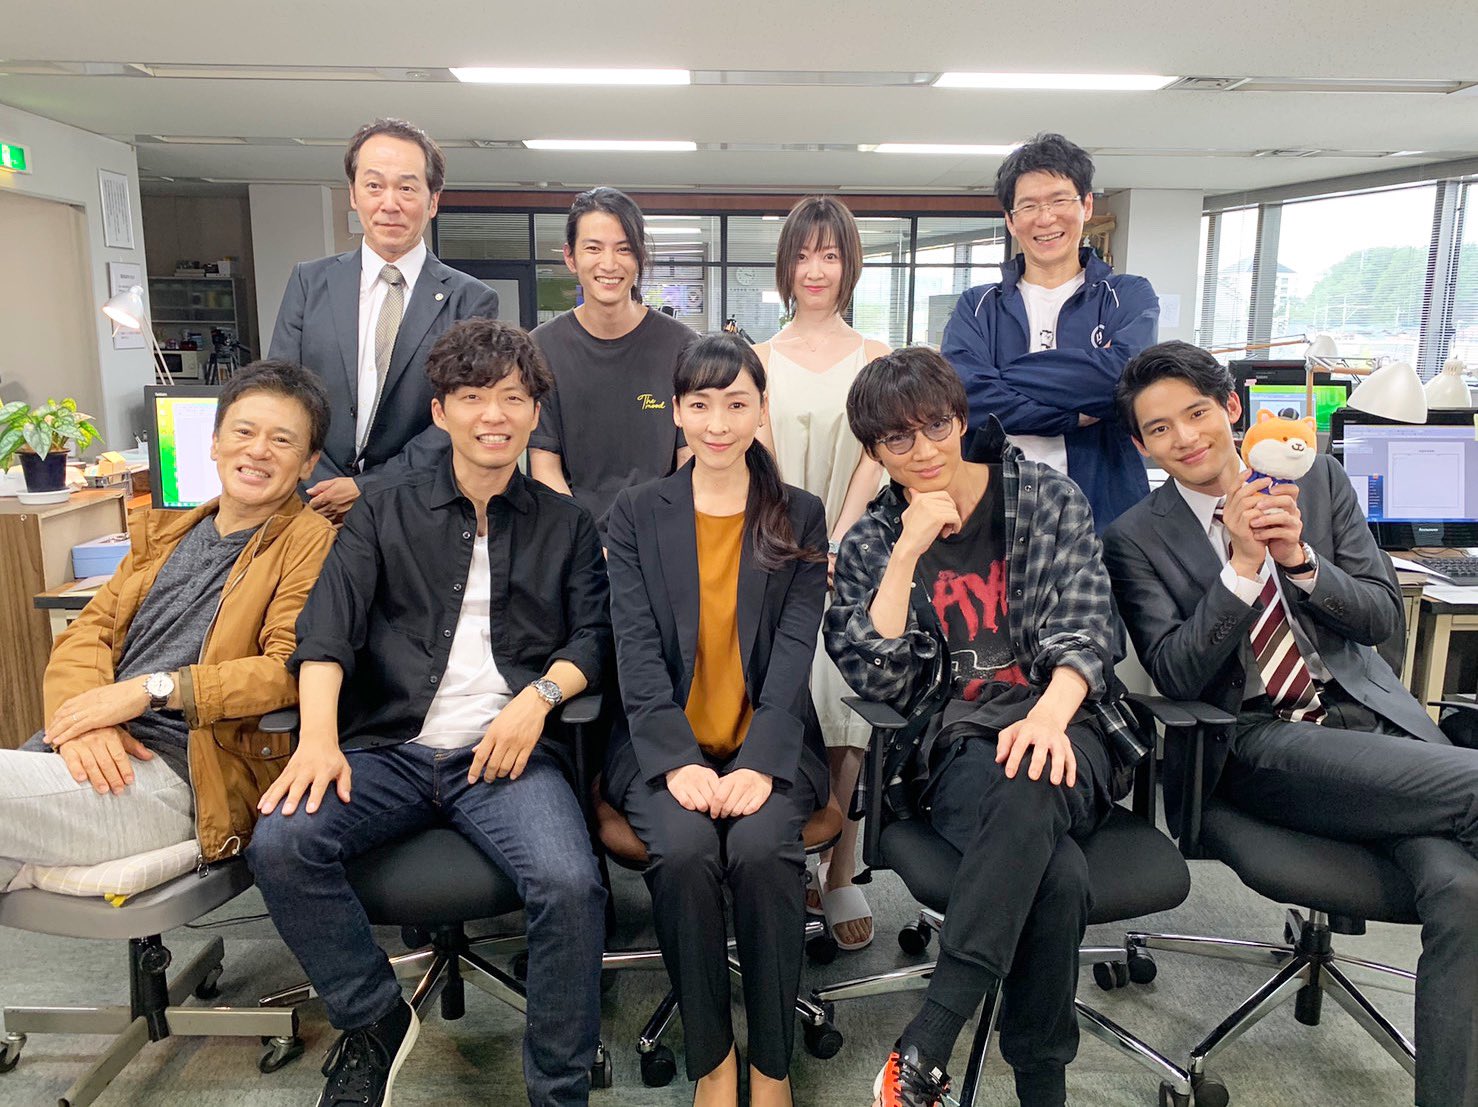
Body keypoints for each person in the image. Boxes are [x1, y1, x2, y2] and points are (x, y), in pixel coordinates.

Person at [1102, 340, 1478, 1107]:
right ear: (1141, 446)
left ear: (1231, 408)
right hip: (1258, 740)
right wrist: (1242, 568)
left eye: (1198, 413)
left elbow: (1380, 616)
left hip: (1375, 732)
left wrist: (1301, 559)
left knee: (1464, 889)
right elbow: (1175, 672)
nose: (1186, 437)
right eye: (1161, 428)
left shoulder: (1318, 478)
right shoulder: (1135, 536)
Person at [247, 319, 610, 1107]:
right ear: (441, 411)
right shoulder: (383, 509)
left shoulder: (568, 523)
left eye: (512, 397)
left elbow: (593, 636)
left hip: (507, 757)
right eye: (473, 396)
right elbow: (326, 631)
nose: (493, 414)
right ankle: (374, 1017)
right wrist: (317, 740)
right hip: (390, 747)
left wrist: (539, 697)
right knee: (280, 842)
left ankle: (560, 1088)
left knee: (570, 883)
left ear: (535, 411)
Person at [826, 348, 1129, 1107]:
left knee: (1033, 774)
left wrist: (1048, 718)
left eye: (936, 426)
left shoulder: (1045, 498)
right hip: (958, 745)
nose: (924, 450)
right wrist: (906, 552)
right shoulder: (870, 542)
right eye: (898, 439)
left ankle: (930, 1035)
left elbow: (1090, 624)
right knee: (1056, 876)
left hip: (1069, 720)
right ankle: (1040, 1088)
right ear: (874, 452)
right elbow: (878, 677)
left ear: (960, 420)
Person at [0, 360, 334, 888]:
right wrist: (90, 722)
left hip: (182, 770)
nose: (257, 450)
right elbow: (88, 632)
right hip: (96, 753)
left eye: (282, 440)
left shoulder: (310, 544)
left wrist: (149, 691)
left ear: (309, 462)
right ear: (214, 443)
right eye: (243, 432)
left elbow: (287, 670)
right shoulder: (168, 534)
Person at [604, 333, 830, 1107]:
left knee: (765, 850)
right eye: (700, 404)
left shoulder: (798, 514)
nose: (718, 423)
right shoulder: (638, 512)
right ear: (677, 411)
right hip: (661, 744)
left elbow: (795, 651)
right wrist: (675, 759)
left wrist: (761, 761)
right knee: (684, 848)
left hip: (770, 743)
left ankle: (771, 1063)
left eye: (737, 403)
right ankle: (713, 1059)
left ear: (762, 409)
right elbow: (635, 648)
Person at [753, 195, 888, 951]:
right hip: (778, 551)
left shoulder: (875, 357)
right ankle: (792, 857)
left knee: (846, 708)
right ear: (786, 265)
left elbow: (877, 454)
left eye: (830, 255)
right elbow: (763, 463)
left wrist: (840, 537)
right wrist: (801, 539)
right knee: (784, 698)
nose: (815, 269)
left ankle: (840, 867)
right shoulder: (759, 360)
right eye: (803, 255)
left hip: (856, 552)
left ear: (848, 265)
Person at [270, 117, 499, 522]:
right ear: (354, 195)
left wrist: (368, 487)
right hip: (312, 505)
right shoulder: (309, 282)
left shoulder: (470, 300)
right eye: (374, 186)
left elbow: (462, 416)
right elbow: (281, 392)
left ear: (432, 201)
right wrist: (319, 483)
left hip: (415, 510)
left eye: (407, 188)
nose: (389, 203)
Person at [941, 132, 1159, 531]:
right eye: (1028, 206)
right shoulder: (978, 305)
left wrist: (1003, 375)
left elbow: (1122, 382)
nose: (1045, 218)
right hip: (994, 518)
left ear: (1086, 205)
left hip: (1105, 515)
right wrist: (1075, 415)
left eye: (1059, 200)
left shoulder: (1126, 295)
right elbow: (967, 397)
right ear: (1011, 220)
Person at [527, 187, 695, 536]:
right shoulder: (541, 348)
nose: (609, 264)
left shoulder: (682, 345)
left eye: (624, 249)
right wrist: (587, 544)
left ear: (640, 257)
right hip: (574, 538)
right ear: (570, 257)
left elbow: (689, 460)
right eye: (593, 248)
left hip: (661, 533)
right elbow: (544, 465)